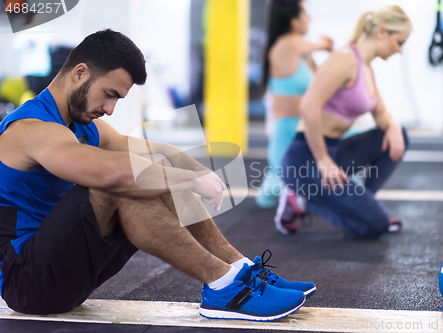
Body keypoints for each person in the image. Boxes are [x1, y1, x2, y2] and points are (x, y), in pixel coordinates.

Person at [0, 29, 316, 321]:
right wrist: (188, 181)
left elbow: (153, 150)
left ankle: (240, 270)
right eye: (108, 94)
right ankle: (223, 285)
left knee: (150, 170)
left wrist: (194, 169)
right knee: (124, 181)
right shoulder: (32, 130)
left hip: (66, 273)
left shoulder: (83, 125)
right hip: (28, 282)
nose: (109, 109)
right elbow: (109, 173)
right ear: (79, 73)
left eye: (117, 100)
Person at [278, 6, 412, 238]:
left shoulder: (367, 69)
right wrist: (322, 159)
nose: (399, 50)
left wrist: (393, 126)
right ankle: (298, 200)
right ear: (381, 32)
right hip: (306, 158)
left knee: (397, 136)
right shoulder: (344, 59)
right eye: (399, 42)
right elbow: (309, 106)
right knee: (376, 225)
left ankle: (364, 205)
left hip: (335, 151)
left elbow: (381, 115)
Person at [255, 0, 333, 217]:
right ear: (294, 21)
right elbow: (319, 44)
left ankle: (295, 198)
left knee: (320, 176)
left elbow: (322, 80)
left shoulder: (303, 52)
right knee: (277, 185)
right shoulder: (287, 45)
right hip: (286, 130)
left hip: (306, 129)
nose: (310, 19)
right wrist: (325, 44)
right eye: (306, 14)